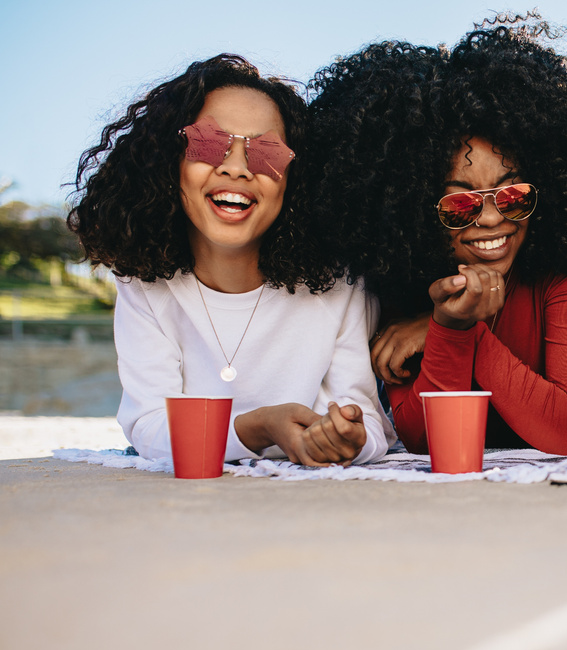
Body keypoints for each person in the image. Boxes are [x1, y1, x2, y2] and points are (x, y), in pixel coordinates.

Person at [307, 22, 567, 456]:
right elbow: (422, 439)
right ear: (413, 208)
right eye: (460, 206)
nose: (492, 218)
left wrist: (454, 330)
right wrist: (450, 325)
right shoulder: (403, 277)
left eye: (512, 195)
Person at [69, 55, 392, 466]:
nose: (237, 168)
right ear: (169, 161)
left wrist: (348, 438)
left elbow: (369, 425)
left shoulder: (339, 285)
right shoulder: (144, 286)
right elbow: (150, 427)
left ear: (295, 178)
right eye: (207, 143)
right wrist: (256, 427)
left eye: (266, 153)